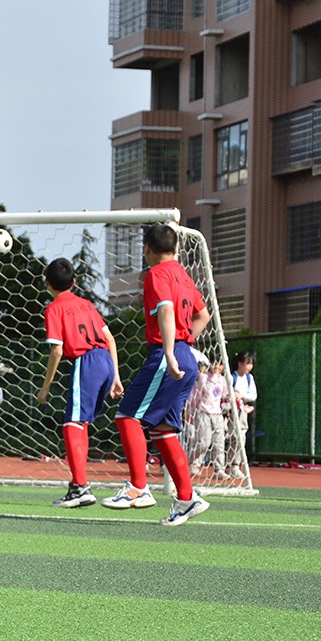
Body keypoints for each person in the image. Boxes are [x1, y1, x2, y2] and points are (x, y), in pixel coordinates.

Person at [104, 224, 212, 526]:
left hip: (168, 355)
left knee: (127, 416)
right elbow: (203, 315)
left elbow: (165, 310)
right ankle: (187, 498)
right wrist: (184, 344)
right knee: (164, 430)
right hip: (186, 356)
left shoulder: (156, 274)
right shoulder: (184, 275)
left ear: (147, 250)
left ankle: (139, 488)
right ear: (175, 249)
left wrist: (169, 351)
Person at [36, 258, 123, 509]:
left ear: (46, 283)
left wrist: (45, 387)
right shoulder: (86, 304)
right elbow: (110, 339)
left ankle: (80, 487)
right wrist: (116, 377)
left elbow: (57, 351)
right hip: (105, 361)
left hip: (86, 361)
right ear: (74, 282)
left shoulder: (54, 309)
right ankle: (78, 484)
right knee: (80, 423)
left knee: (71, 424)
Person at [188, 354, 230, 478]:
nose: (216, 366)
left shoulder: (223, 380)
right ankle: (190, 461)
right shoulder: (204, 377)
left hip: (217, 414)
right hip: (203, 412)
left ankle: (219, 469)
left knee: (219, 442)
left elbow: (224, 395)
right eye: (214, 363)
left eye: (219, 364)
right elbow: (198, 393)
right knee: (203, 442)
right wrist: (190, 412)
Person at [231, 351, 256, 470]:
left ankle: (235, 465)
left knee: (240, 437)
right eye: (248, 363)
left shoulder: (249, 378)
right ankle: (222, 465)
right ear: (240, 364)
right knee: (230, 438)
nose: (250, 367)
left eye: (251, 364)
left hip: (242, 413)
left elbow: (253, 395)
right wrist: (233, 396)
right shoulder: (232, 377)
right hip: (230, 412)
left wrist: (242, 396)